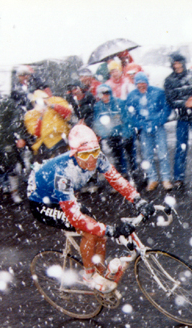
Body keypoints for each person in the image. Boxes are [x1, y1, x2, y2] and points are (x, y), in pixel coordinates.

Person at [27, 124, 154, 293]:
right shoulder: (63, 174)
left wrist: (137, 199)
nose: (91, 159)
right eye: (85, 154)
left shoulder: (97, 156)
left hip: (62, 195)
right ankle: (89, 276)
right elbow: (75, 218)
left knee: (99, 233)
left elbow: (115, 179)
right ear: (74, 153)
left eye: (94, 152)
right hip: (42, 203)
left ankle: (100, 272)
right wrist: (110, 230)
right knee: (90, 231)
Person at [164, 51, 192, 188]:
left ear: (184, 63)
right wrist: (184, 103)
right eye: (175, 63)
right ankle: (178, 177)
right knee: (181, 147)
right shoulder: (169, 80)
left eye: (179, 63)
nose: (177, 66)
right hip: (182, 117)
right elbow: (171, 100)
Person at [125, 72, 173, 191]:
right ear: (135, 85)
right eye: (139, 85)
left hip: (158, 127)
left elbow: (166, 107)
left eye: (143, 84)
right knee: (147, 155)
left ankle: (166, 178)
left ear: (147, 82)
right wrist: (140, 124)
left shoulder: (158, 92)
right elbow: (131, 113)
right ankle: (152, 179)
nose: (141, 87)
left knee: (163, 153)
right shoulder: (132, 96)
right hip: (144, 129)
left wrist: (160, 121)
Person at [24, 89, 73, 162]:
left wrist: (52, 106)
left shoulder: (56, 101)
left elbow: (67, 113)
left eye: (43, 99)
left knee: (63, 160)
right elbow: (36, 132)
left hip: (60, 138)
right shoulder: (30, 114)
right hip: (44, 145)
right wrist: (41, 116)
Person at [93, 84, 129, 178]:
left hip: (121, 134)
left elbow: (126, 119)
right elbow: (98, 122)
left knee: (128, 158)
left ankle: (129, 176)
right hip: (109, 136)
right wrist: (105, 135)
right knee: (114, 158)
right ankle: (118, 176)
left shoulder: (119, 103)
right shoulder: (98, 107)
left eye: (106, 93)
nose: (104, 96)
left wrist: (125, 134)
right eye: (102, 94)